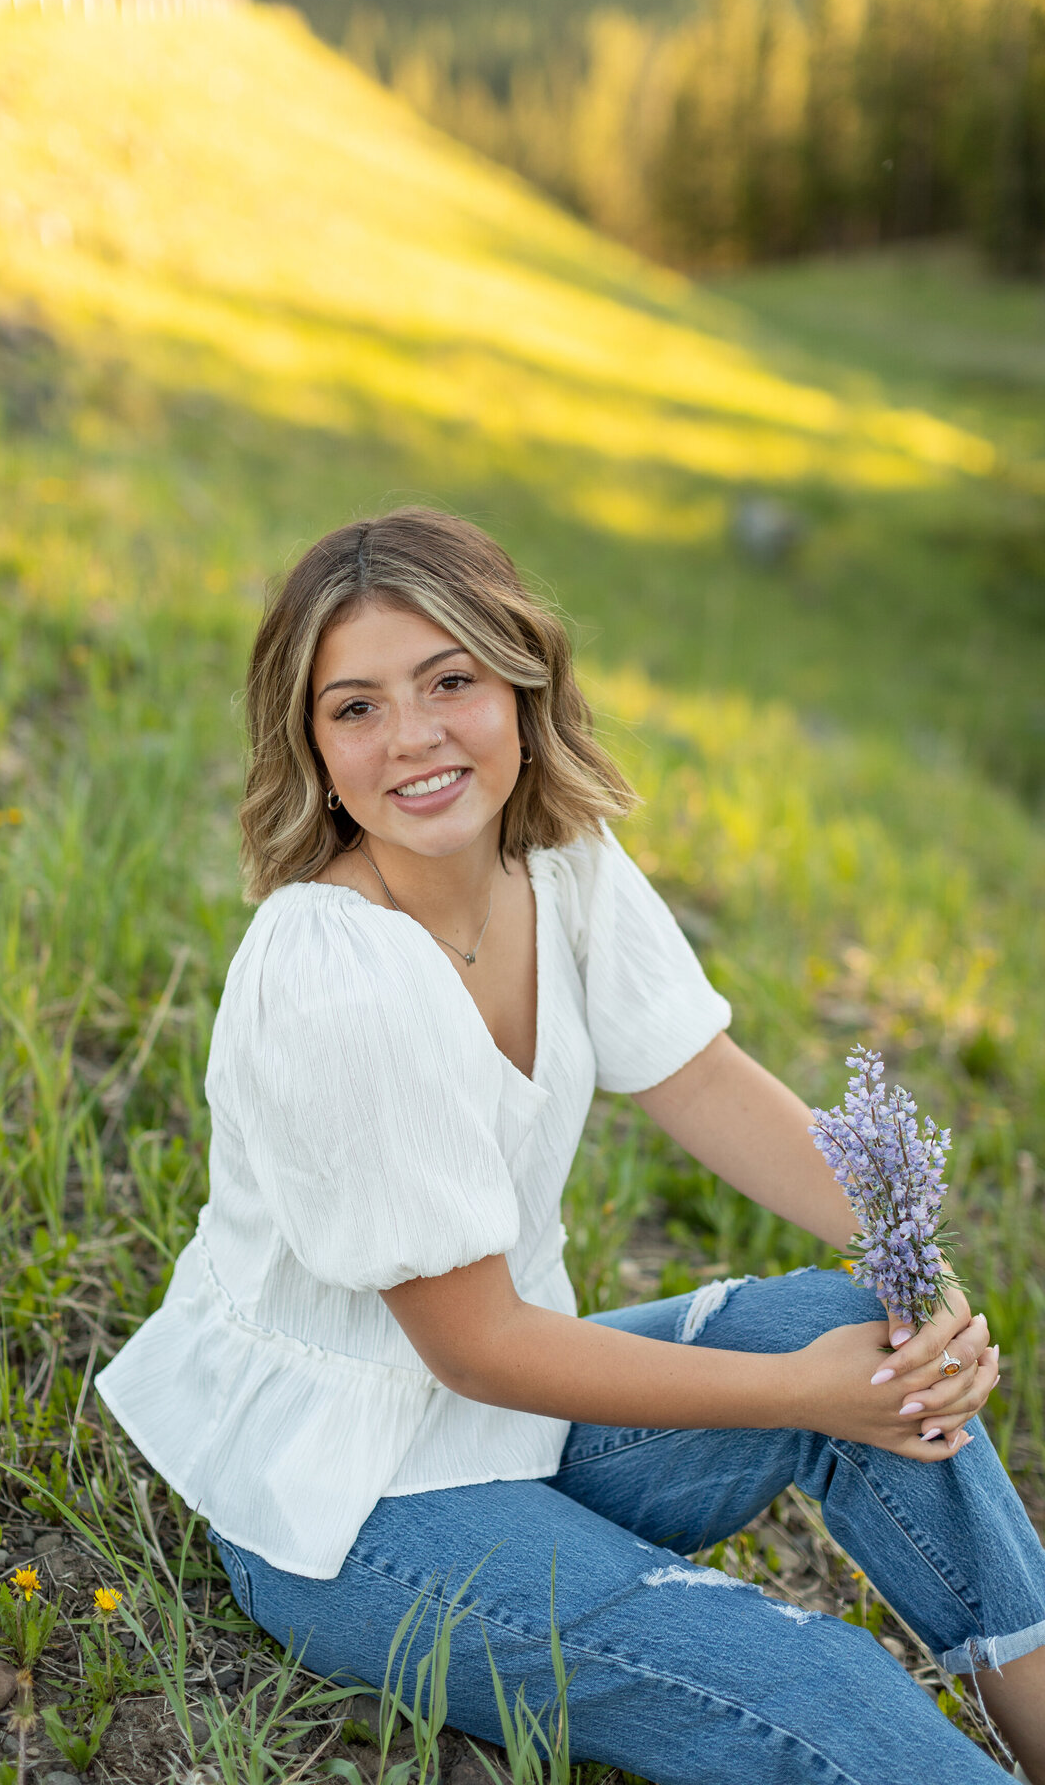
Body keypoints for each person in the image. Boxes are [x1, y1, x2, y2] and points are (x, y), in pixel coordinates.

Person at [96, 507, 1045, 1785]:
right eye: (357, 708)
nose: (416, 738)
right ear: (312, 749)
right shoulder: (335, 975)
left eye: (450, 682)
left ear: (521, 685)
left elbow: (700, 1076)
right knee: (817, 1682)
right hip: (353, 1507)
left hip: (513, 1434)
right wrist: (797, 1396)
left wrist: (913, 1273)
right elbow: (476, 1346)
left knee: (872, 1342)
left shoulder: (558, 859)